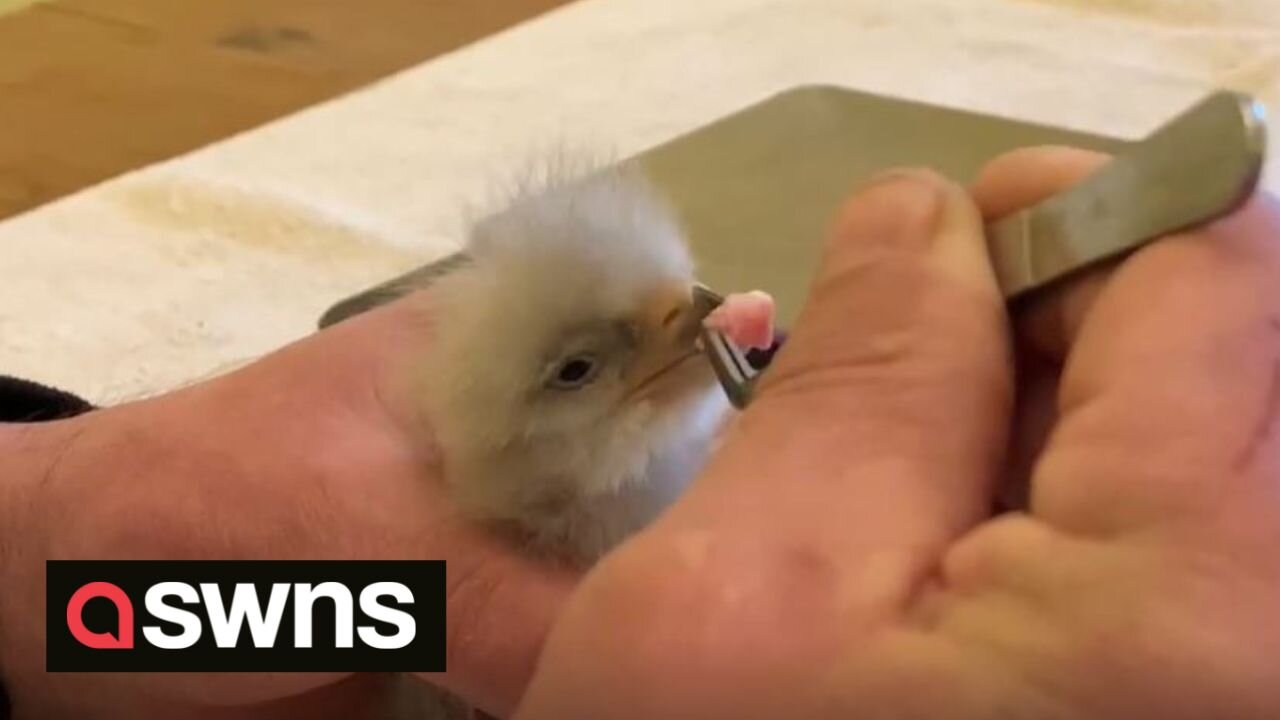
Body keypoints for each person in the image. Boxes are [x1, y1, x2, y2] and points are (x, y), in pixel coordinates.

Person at [2, 146, 1277, 720]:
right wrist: (77, 573)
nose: (703, 326)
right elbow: (360, 615)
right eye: (579, 366)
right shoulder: (434, 614)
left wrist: (55, 552)